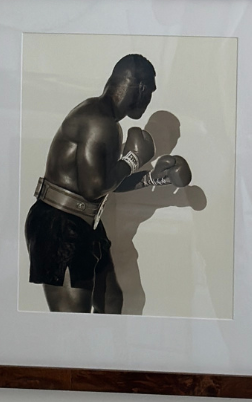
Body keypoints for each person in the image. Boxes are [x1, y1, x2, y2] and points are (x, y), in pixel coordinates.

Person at [24, 54, 158, 313]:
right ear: (141, 88)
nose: (149, 101)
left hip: (84, 225)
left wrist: (152, 177)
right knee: (73, 328)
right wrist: (132, 159)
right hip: (60, 226)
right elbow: (93, 188)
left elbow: (108, 183)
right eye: (150, 92)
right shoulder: (99, 121)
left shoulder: (105, 121)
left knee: (111, 301)